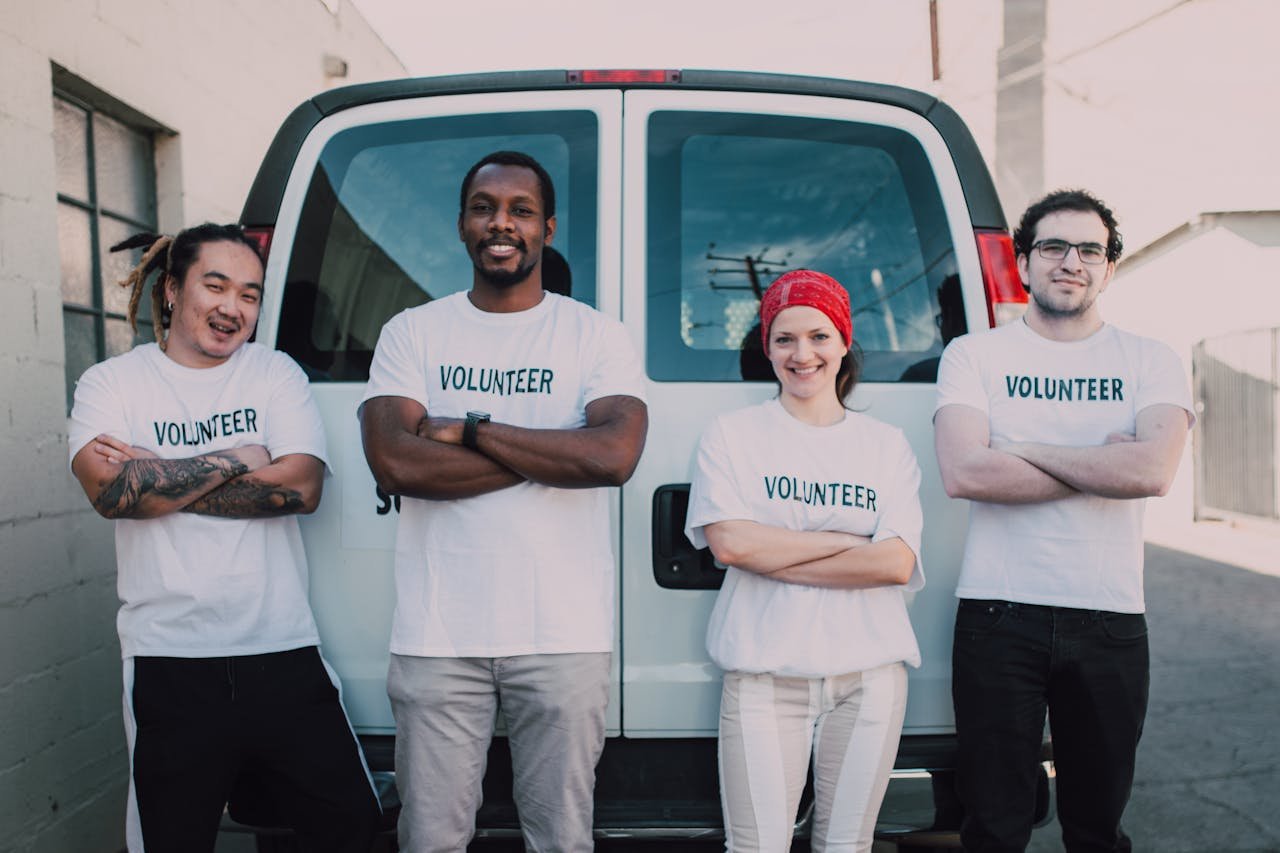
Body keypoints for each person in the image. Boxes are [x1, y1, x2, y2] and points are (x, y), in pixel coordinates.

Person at [359, 150, 649, 852]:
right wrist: (554, 453)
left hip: (562, 635)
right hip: (437, 637)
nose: (501, 223)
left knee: (561, 839)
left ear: (547, 228)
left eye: (522, 210)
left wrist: (470, 431)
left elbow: (613, 457)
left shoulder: (595, 335)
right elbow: (394, 460)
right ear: (462, 223)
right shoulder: (412, 332)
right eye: (484, 208)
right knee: (430, 839)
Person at [68, 223, 381, 852]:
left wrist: (158, 476)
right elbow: (113, 494)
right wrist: (241, 456)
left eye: (249, 294)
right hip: (168, 661)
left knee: (355, 834)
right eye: (215, 286)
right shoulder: (111, 384)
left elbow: (300, 489)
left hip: (282, 650)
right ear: (172, 289)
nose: (232, 308)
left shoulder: (273, 373)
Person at [933, 189, 1193, 852]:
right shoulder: (973, 355)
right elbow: (966, 473)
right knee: (993, 828)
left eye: (1089, 250)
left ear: (1109, 269)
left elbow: (1152, 472)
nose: (1071, 261)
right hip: (997, 617)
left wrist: (1020, 449)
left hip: (1109, 619)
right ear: (1023, 262)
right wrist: (1102, 461)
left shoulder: (1150, 359)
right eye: (1053, 246)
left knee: (1097, 829)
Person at [684, 269, 925, 852]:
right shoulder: (732, 435)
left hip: (869, 678)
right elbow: (731, 546)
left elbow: (894, 564)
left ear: (844, 342)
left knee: (846, 846)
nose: (802, 354)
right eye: (785, 339)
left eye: (819, 336)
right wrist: (850, 541)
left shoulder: (885, 444)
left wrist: (772, 551)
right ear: (767, 348)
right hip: (763, 677)